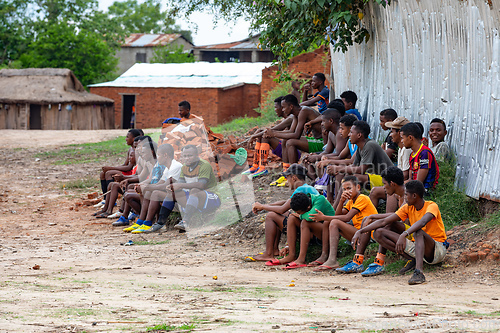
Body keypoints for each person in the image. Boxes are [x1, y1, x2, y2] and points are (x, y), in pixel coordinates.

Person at [350, 180, 448, 284]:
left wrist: (404, 234)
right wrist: (360, 231)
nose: (404, 198)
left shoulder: (432, 206)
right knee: (378, 233)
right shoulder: (408, 207)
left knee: (417, 231)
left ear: (414, 196)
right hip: (418, 247)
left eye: (406, 195)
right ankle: (413, 260)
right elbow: (384, 221)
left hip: (436, 250)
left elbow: (422, 222)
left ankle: (419, 273)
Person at [249, 164, 318, 263]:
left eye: (287, 177)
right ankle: (274, 250)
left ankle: (269, 253)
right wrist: (262, 206)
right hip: (310, 225)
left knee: (271, 216)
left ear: (294, 178)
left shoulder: (301, 189)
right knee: (277, 212)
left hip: (308, 228)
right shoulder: (307, 187)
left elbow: (281, 209)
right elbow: (284, 203)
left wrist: (263, 207)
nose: (286, 181)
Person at [145, 145, 220, 233]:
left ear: (197, 155)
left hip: (211, 198)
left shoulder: (204, 165)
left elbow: (201, 185)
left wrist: (180, 185)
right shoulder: (184, 167)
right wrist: (173, 187)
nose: (187, 158)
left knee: (194, 190)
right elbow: (180, 183)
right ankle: (160, 222)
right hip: (194, 199)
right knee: (172, 192)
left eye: (190, 156)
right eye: (185, 156)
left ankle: (185, 221)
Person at [310, 175, 378, 272]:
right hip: (359, 235)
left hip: (369, 236)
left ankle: (332, 260)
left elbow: (346, 218)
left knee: (334, 222)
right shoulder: (350, 201)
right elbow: (337, 215)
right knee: (332, 222)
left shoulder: (362, 198)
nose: (346, 191)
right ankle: (327, 257)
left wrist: (324, 217)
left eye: (349, 188)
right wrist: (341, 201)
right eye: (344, 189)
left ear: (358, 187)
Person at [348, 166, 407, 277]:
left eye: (384, 184)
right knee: (369, 219)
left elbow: (397, 216)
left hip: (413, 232)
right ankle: (358, 260)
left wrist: (374, 217)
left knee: (385, 224)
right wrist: (372, 217)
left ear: (392, 184)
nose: (383, 188)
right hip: (405, 231)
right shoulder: (396, 194)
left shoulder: (407, 194)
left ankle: (379, 261)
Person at [327, 120, 393, 208]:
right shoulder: (360, 146)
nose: (349, 135)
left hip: (387, 180)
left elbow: (361, 169)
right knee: (347, 175)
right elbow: (354, 166)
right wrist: (339, 169)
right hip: (375, 177)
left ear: (359, 135)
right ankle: (336, 206)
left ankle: (347, 207)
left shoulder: (369, 145)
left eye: (351, 132)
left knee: (356, 177)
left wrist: (337, 168)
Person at [116, 143, 182, 231]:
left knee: (155, 193)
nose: (157, 157)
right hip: (170, 193)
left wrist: (147, 187)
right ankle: (141, 221)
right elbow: (159, 183)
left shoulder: (175, 166)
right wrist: (143, 186)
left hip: (180, 196)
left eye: (158, 155)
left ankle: (148, 223)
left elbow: (164, 185)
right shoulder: (167, 168)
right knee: (147, 192)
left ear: (165, 155)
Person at [264, 94, 322, 169]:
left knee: (291, 142)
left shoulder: (303, 111)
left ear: (291, 107)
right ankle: (286, 168)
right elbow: (291, 131)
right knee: (286, 139)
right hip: (316, 140)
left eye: (284, 107)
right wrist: (272, 133)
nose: (282, 110)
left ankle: (294, 171)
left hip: (322, 143)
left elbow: (296, 135)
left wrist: (274, 133)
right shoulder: (296, 114)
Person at [244, 96, 295, 178]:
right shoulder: (286, 119)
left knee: (266, 136)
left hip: (292, 152)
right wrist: (257, 133)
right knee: (261, 132)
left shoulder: (290, 118)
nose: (275, 110)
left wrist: (253, 136)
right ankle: (255, 166)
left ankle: (262, 168)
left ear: (282, 107)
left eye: (276, 107)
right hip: (286, 150)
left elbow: (271, 130)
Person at [282, 192, 335, 269]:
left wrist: (299, 215)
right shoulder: (304, 200)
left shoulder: (320, 199)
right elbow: (299, 215)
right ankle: (291, 255)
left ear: (308, 207)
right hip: (314, 230)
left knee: (305, 222)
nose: (297, 214)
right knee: (291, 218)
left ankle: (301, 259)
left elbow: (310, 216)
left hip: (328, 232)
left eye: (299, 212)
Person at [369, 116, 411, 210]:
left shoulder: (407, 150)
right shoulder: (400, 149)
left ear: (400, 133)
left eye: (392, 132)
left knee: (388, 190)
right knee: (375, 190)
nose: (390, 135)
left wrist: (389, 183)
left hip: (403, 185)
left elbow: (405, 176)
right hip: (399, 182)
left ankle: (388, 219)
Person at [96, 129, 142, 206]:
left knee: (109, 173)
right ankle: (105, 199)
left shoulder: (136, 151)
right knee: (103, 173)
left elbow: (129, 168)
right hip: (130, 171)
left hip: (132, 172)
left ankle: (111, 200)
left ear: (133, 139)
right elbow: (125, 164)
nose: (126, 139)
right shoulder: (130, 149)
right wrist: (112, 168)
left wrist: (111, 168)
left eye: (127, 137)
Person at [302, 108, 347, 180]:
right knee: (306, 160)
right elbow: (327, 151)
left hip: (341, 160)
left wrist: (318, 157)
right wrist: (316, 155)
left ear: (331, 121)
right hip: (333, 157)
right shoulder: (330, 133)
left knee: (319, 163)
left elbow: (339, 154)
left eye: (323, 121)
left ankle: (322, 184)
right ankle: (317, 181)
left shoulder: (340, 133)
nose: (321, 124)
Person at [400, 123, 439, 193]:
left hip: (425, 191)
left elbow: (419, 182)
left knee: (397, 194)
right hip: (414, 188)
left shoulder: (424, 153)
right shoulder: (412, 154)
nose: (401, 141)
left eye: (402, 138)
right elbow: (410, 179)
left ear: (410, 138)